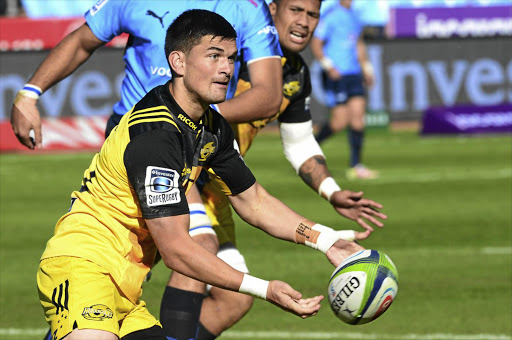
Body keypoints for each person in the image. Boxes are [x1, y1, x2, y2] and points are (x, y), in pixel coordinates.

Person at [37, 9, 371, 340]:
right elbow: (177, 249)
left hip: (126, 286)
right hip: (81, 264)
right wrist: (265, 289)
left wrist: (327, 241)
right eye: (214, 56)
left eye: (231, 57)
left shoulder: (210, 127)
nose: (227, 68)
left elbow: (254, 203)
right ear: (177, 63)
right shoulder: (156, 134)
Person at [161, 0, 388, 339]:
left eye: (312, 15)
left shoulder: (294, 73)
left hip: (220, 186)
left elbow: (298, 143)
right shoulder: (230, 56)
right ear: (271, 9)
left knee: (233, 301)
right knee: (189, 254)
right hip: (178, 173)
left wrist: (331, 191)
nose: (305, 22)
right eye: (296, 10)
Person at [311, 0, 378, 180]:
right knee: (339, 122)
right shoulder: (331, 16)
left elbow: (358, 43)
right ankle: (309, 148)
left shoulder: (355, 16)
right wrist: (328, 66)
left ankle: (356, 166)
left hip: (353, 74)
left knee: (358, 119)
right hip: (337, 75)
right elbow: (316, 43)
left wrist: (367, 67)